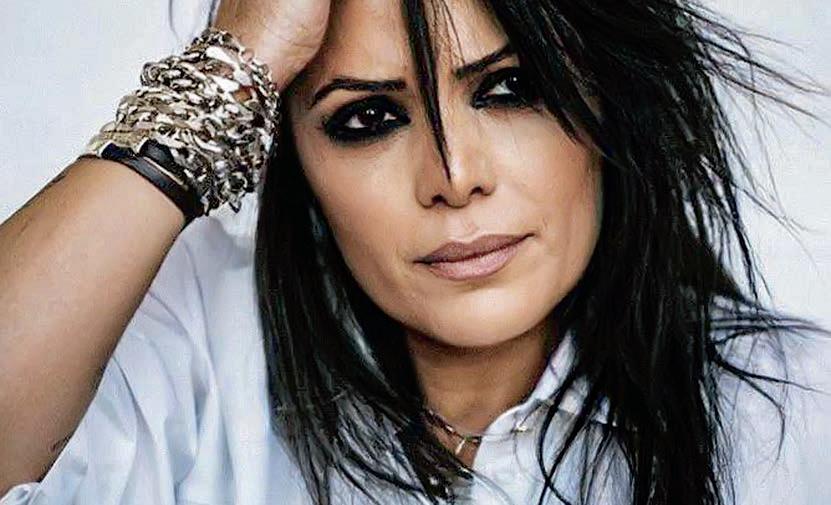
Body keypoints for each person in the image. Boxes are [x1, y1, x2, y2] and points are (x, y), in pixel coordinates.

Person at [0, 0, 829, 504]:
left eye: (510, 89)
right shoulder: (194, 343)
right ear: (293, 159)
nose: (454, 177)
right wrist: (223, 78)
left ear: (608, 101)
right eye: (368, 118)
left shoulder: (796, 416)